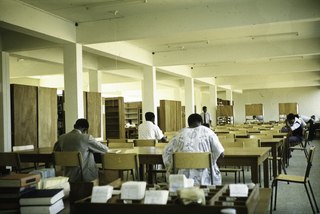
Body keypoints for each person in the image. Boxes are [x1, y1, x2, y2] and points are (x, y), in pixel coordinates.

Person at [162, 113, 224, 186]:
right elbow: (220, 153)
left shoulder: (179, 134)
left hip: (183, 177)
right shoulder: (208, 132)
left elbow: (166, 152)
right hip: (204, 176)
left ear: (188, 123)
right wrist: (211, 162)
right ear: (201, 122)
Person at [53, 118, 109, 182]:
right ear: (85, 129)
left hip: (67, 175)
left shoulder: (61, 138)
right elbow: (105, 149)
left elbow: (55, 152)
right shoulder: (86, 138)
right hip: (84, 175)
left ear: (74, 126)